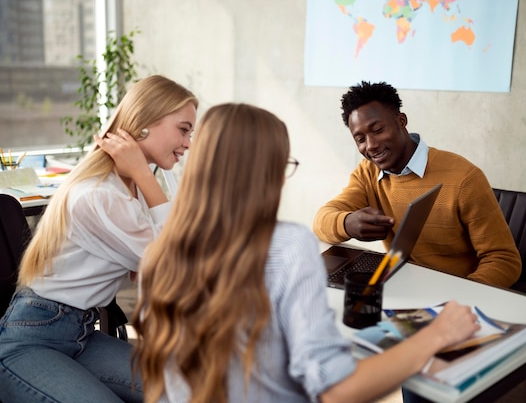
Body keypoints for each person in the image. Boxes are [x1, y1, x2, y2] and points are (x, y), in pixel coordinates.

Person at [132, 102, 480, 403]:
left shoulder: (157, 255)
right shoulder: (287, 246)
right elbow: (336, 390)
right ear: (265, 173)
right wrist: (438, 334)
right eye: (281, 165)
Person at [0, 74, 198, 403]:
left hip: (83, 333)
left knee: (190, 392)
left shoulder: (131, 189)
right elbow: (179, 266)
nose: (188, 143)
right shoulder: (101, 193)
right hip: (31, 343)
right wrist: (144, 176)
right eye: (183, 129)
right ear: (145, 122)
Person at [313, 80, 521, 289]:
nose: (371, 145)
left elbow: (504, 260)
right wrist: (347, 222)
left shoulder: (464, 178)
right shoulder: (367, 173)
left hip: (457, 294)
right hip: (403, 287)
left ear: (401, 121)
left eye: (377, 130)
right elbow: (321, 221)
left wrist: (460, 299)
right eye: (360, 139)